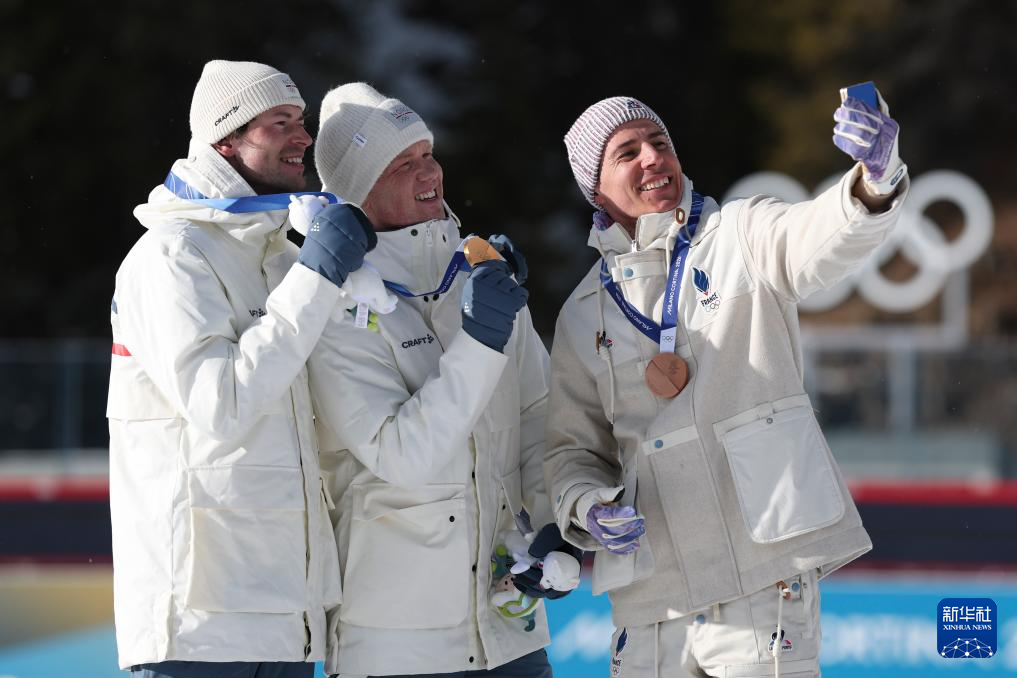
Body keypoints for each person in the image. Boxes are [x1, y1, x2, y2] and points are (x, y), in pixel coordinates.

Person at [544, 91, 909, 677]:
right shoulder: (583, 314)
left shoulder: (740, 233)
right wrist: (589, 507)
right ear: (596, 190)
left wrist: (874, 180)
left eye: (660, 142)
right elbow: (572, 452)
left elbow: (819, 235)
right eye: (627, 153)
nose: (652, 158)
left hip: (763, 579)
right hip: (652, 598)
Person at [108, 60, 378, 677]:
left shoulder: (277, 254)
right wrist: (317, 276)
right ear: (225, 139)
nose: (303, 137)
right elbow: (221, 405)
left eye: (302, 121)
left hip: (286, 618)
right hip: (198, 626)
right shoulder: (170, 256)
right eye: (280, 122)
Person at [308, 83, 579, 678]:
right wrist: (479, 341)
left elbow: (538, 417)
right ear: (360, 191)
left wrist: (552, 523)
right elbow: (403, 455)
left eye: (427, 153)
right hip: (397, 647)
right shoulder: (333, 305)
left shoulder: (481, 275)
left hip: (509, 631)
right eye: (401, 164)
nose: (429, 171)